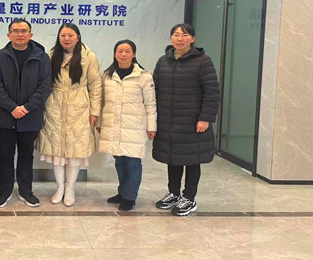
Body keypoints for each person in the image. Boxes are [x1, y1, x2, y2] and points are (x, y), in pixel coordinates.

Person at [152, 23, 220, 216]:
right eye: (176, 35)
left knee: (192, 160)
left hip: (193, 122)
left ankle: (189, 198)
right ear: (171, 38)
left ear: (193, 38)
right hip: (168, 121)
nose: (180, 39)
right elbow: (154, 90)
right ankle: (173, 193)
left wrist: (205, 118)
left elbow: (212, 92)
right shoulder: (163, 61)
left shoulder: (203, 61)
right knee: (172, 158)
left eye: (184, 35)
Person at [37, 23, 101, 207]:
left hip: (79, 108)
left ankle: (70, 188)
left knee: (75, 151)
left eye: (70, 35)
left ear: (78, 37)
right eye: (63, 35)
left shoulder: (88, 56)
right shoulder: (52, 55)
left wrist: (95, 111)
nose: (66, 39)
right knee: (56, 150)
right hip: (54, 106)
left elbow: (96, 85)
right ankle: (59, 188)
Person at [0, 18, 51, 208]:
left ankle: (26, 191)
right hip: (5, 116)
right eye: (16, 31)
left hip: (30, 116)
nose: (20, 34)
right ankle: (4, 191)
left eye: (24, 31)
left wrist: (26, 108)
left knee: (26, 156)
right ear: (9, 35)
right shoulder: (0, 56)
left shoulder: (42, 57)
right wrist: (12, 108)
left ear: (30, 35)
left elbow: (45, 86)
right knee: (5, 156)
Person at [97, 40, 156, 211]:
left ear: (134, 54)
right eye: (120, 51)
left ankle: (130, 197)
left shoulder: (144, 76)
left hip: (134, 127)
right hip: (113, 125)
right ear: (115, 54)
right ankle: (122, 192)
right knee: (119, 161)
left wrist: (152, 127)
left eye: (127, 51)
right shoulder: (107, 76)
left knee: (133, 162)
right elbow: (101, 101)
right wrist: (100, 123)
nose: (123, 54)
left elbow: (150, 104)